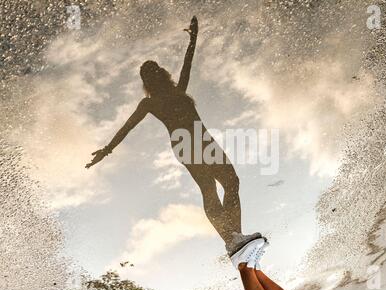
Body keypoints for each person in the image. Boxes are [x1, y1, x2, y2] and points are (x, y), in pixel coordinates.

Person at [85, 16, 262, 257]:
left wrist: (193, 39)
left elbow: (187, 63)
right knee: (209, 189)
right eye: (149, 74)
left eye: (155, 69)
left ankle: (236, 239)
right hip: (186, 145)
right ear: (147, 82)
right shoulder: (149, 103)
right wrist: (106, 150)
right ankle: (232, 240)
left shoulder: (179, 91)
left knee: (231, 181)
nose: (155, 74)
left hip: (202, 140)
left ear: (161, 72)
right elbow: (126, 127)